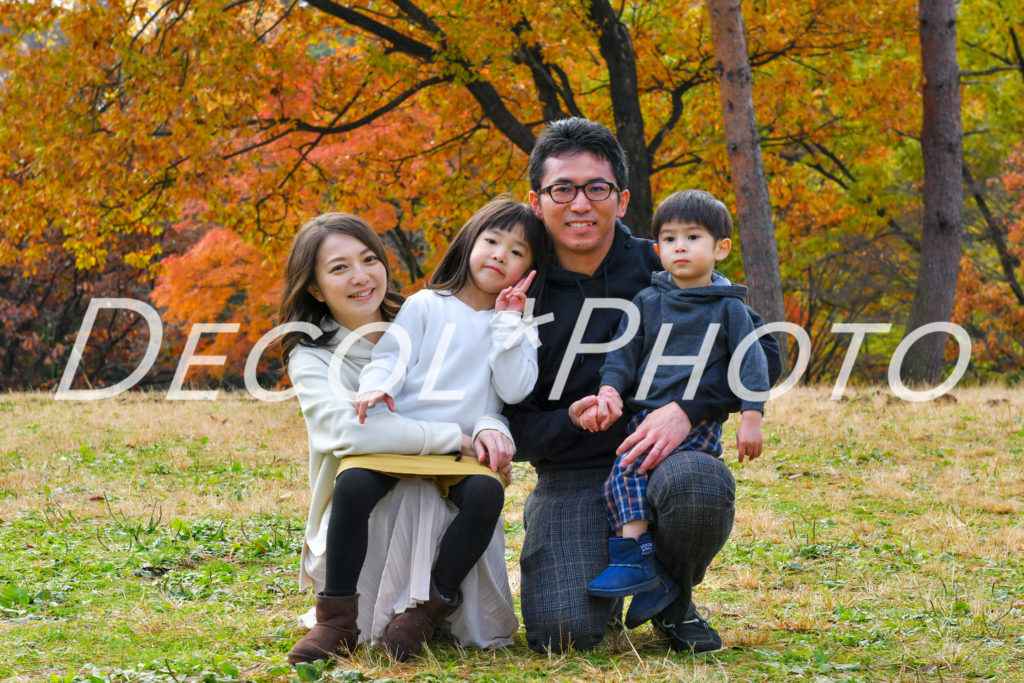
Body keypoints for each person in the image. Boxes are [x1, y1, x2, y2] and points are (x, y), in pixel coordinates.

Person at [500, 117, 782, 654]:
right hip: (572, 472)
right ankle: (607, 573)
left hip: (667, 458)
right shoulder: (518, 286)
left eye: (596, 188)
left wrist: (690, 408)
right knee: (562, 635)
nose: (580, 203)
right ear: (537, 202)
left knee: (698, 485)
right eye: (562, 189)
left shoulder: (668, 261)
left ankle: (671, 602)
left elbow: (766, 353)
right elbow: (506, 415)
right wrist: (571, 419)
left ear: (621, 199)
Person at [277, 207, 537, 663]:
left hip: (453, 457)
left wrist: (508, 329)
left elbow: (512, 392)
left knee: (485, 495)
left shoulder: (513, 325)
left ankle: (428, 609)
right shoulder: (424, 306)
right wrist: (380, 386)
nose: (500, 256)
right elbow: (389, 362)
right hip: (405, 448)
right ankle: (336, 619)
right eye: (492, 241)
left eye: (518, 252)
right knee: (354, 483)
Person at [577, 189, 770, 628]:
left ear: (721, 248)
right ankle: (639, 560)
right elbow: (621, 357)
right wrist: (609, 392)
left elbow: (753, 363)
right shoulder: (647, 301)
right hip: (643, 417)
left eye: (693, 237)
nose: (680, 247)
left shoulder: (729, 307)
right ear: (657, 248)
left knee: (678, 483)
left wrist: (751, 417)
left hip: (697, 425)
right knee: (622, 477)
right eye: (669, 239)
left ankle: (656, 575)